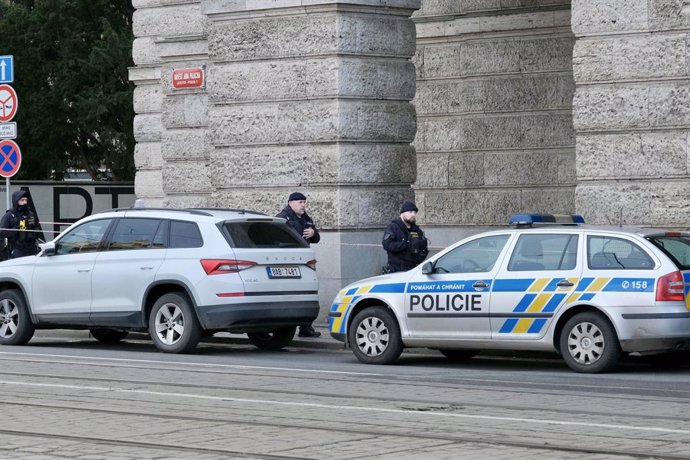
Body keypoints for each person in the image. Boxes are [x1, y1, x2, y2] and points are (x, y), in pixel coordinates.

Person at [276, 192, 321, 338]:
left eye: (304, 202)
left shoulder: (306, 218)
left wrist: (313, 233)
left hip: (304, 262)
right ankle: (283, 327)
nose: (303, 205)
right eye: (300, 202)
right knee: (288, 294)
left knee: (307, 293)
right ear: (291, 203)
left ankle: (306, 327)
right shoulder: (282, 218)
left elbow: (317, 239)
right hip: (288, 262)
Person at [382, 200, 429, 273]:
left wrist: (420, 255)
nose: (413, 214)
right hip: (396, 270)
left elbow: (423, 248)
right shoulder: (393, 228)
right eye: (410, 212)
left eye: (414, 212)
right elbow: (387, 245)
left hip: (413, 269)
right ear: (402, 213)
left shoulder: (417, 230)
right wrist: (405, 244)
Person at [0, 190, 41, 259]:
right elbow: (1, 233)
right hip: (17, 250)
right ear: (16, 201)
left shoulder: (31, 214)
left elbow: (38, 228)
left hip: (32, 249)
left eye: (26, 200)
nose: (25, 202)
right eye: (22, 200)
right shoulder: (9, 215)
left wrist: (33, 230)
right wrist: (18, 229)